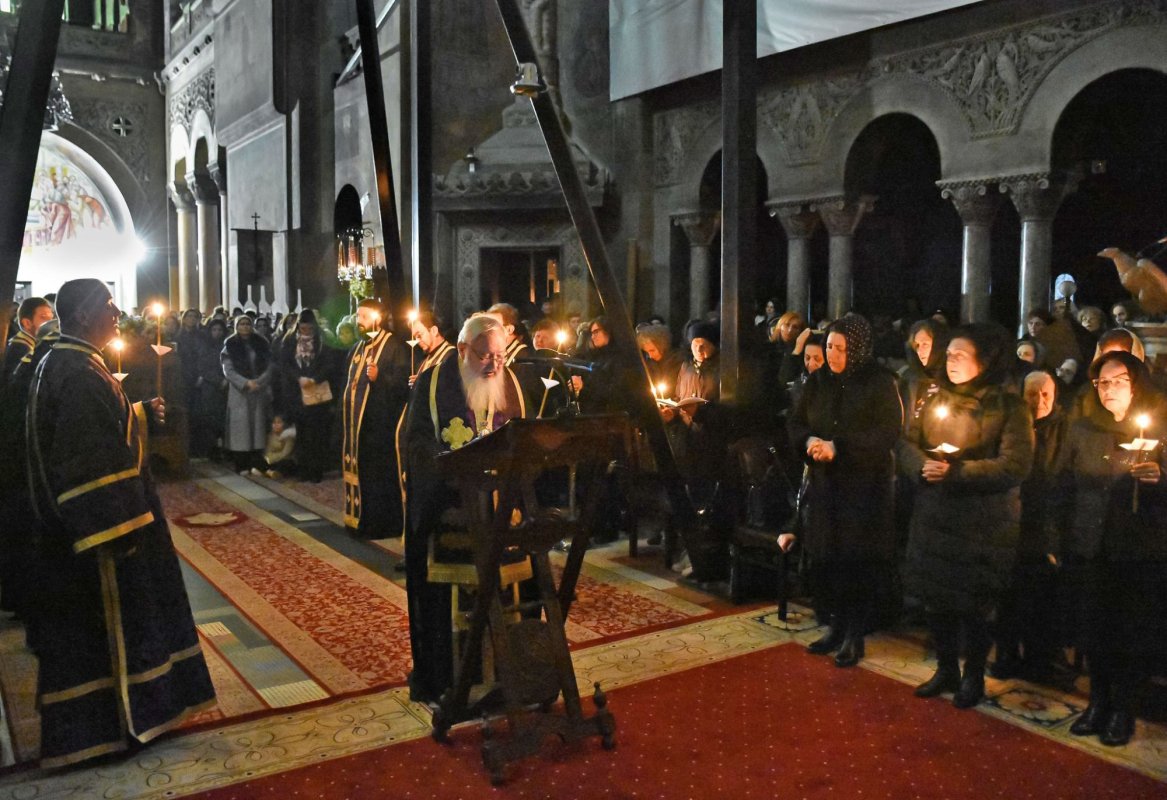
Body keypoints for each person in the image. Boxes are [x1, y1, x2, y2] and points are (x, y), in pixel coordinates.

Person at [22, 278, 214, 767]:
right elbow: (88, 460)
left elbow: (98, 431)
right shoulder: (79, 371)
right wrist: (120, 534)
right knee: (106, 631)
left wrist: (139, 414)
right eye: (108, 305)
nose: (116, 313)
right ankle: (111, 727)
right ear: (85, 314)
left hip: (78, 534)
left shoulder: (68, 362)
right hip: (101, 537)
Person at [900, 323, 1034, 708]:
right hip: (935, 515)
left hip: (982, 524)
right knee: (936, 600)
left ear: (985, 361)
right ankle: (945, 669)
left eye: (961, 355)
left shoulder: (1009, 406)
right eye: (950, 354)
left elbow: (1015, 464)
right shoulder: (934, 395)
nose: (951, 360)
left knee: (974, 606)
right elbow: (908, 440)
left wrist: (956, 472)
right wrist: (921, 465)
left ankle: (973, 676)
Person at [403, 315, 528, 703]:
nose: (493, 365)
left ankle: (511, 672)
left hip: (500, 512)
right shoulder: (433, 383)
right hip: (449, 510)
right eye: (484, 356)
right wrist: (451, 473)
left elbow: (525, 438)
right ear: (462, 350)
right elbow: (417, 444)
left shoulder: (511, 383)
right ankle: (447, 678)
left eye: (500, 355)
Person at [1057, 351, 1167, 747]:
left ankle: (1124, 709)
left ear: (1135, 383)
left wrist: (1160, 476)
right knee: (1095, 629)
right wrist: (1060, 538)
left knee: (1130, 633)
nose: (1109, 390)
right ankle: (1097, 703)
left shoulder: (1161, 426)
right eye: (1102, 383)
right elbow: (1064, 482)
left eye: (1118, 381)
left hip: (1138, 549)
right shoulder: (1084, 427)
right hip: (1091, 544)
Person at [783, 314, 902, 668]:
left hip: (863, 488)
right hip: (825, 483)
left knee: (856, 561)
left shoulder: (879, 383)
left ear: (859, 349)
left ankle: (855, 634)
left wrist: (841, 447)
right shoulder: (818, 381)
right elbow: (796, 421)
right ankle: (834, 626)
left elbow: (888, 431)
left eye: (841, 348)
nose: (834, 355)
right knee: (828, 558)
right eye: (830, 347)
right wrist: (810, 441)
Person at [992, 370, 1068, 683]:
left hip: (1045, 524)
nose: (1039, 401)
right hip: (1011, 521)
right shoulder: (1011, 424)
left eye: (1046, 394)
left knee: (1041, 598)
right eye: (1032, 394)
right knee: (1007, 595)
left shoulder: (1066, 429)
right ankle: (1007, 653)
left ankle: (1039, 659)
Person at [341, 300, 410, 538]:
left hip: (381, 427)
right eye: (357, 315)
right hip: (360, 430)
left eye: (362, 316)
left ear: (376, 318)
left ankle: (381, 525)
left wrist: (380, 378)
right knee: (364, 475)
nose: (357, 320)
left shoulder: (394, 346)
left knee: (380, 478)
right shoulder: (359, 347)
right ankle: (360, 520)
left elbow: (403, 386)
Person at [279, 309, 338, 482]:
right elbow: (284, 364)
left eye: (309, 329)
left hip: (317, 391)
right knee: (302, 433)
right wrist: (298, 378)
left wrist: (314, 378)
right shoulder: (289, 341)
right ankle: (303, 469)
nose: (306, 332)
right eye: (303, 329)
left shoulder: (322, 341)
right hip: (296, 392)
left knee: (317, 433)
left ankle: (316, 470)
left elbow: (329, 364)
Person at [221, 314, 274, 474]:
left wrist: (259, 381)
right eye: (241, 324)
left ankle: (256, 461)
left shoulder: (261, 343)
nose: (245, 327)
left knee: (257, 426)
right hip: (240, 392)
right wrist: (245, 383)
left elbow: (269, 365)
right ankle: (241, 463)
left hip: (258, 389)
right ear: (236, 327)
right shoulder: (230, 345)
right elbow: (228, 370)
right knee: (241, 428)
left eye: (247, 324)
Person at [3, 297, 54, 382]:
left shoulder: (26, 344)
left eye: (51, 318)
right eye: (44, 317)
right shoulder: (21, 348)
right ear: (27, 323)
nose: (50, 323)